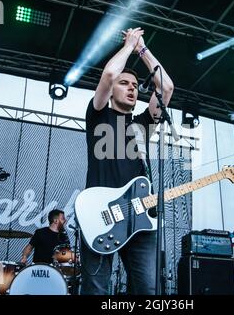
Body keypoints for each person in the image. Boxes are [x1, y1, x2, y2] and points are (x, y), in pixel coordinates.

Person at [80, 26, 174, 295]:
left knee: (148, 289)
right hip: (100, 216)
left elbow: (166, 87)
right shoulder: (98, 115)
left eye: (135, 86)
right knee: (96, 289)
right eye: (125, 84)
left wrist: (143, 50)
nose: (132, 89)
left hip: (140, 219)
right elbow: (109, 74)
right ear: (110, 92)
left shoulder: (142, 126)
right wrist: (128, 46)